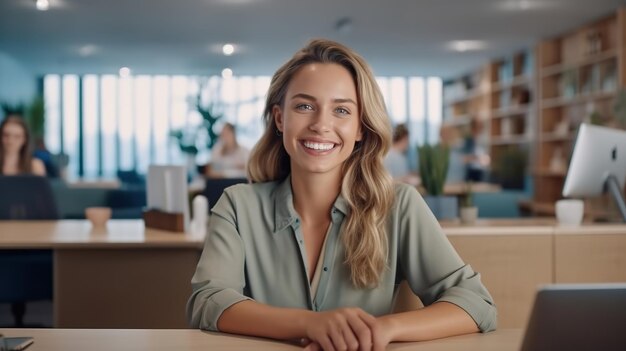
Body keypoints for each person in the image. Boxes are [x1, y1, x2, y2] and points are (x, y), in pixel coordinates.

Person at [187, 39, 496, 350]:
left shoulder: (399, 205)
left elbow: (475, 303)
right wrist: (312, 324)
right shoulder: (237, 206)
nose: (322, 124)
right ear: (280, 118)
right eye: (304, 106)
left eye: (341, 110)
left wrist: (380, 329)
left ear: (360, 127)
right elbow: (208, 302)